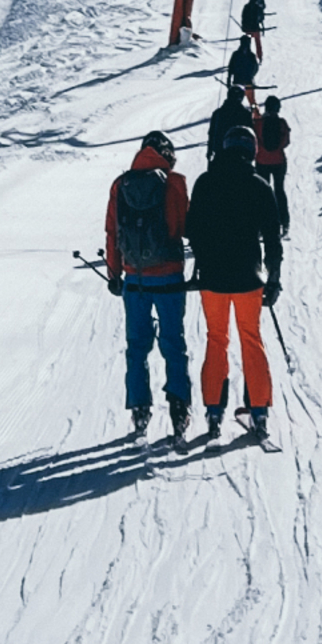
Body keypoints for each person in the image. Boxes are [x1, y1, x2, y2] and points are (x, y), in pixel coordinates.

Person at [185, 119, 283, 441]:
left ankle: (214, 412)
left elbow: (191, 230)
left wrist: (205, 257)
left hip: (212, 278)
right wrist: (274, 277)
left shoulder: (205, 182)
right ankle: (259, 413)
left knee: (217, 340)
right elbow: (272, 239)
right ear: (252, 152)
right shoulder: (259, 185)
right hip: (248, 277)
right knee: (251, 340)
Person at [105, 130, 192, 438]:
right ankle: (179, 407)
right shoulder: (175, 182)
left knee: (137, 346)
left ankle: (140, 409)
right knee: (173, 343)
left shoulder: (121, 184)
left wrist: (114, 274)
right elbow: (185, 226)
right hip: (169, 277)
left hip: (135, 278)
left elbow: (112, 233)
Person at [257, 92, 291, 204]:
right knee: (279, 190)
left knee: (263, 191)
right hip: (279, 161)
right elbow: (286, 142)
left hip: (262, 161)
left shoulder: (259, 123)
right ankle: (284, 218)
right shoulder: (282, 123)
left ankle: (264, 217)